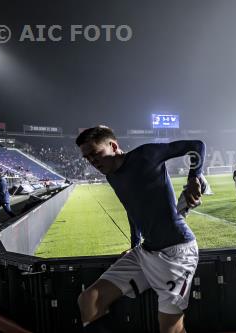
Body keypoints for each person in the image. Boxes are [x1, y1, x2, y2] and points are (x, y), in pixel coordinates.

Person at [75, 126, 205, 333]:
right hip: (146, 252)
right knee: (89, 300)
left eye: (95, 154)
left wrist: (193, 178)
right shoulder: (112, 176)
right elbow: (133, 210)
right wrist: (134, 245)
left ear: (113, 146)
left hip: (177, 254)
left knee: (171, 330)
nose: (92, 161)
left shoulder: (145, 155)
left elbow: (196, 146)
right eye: (87, 158)